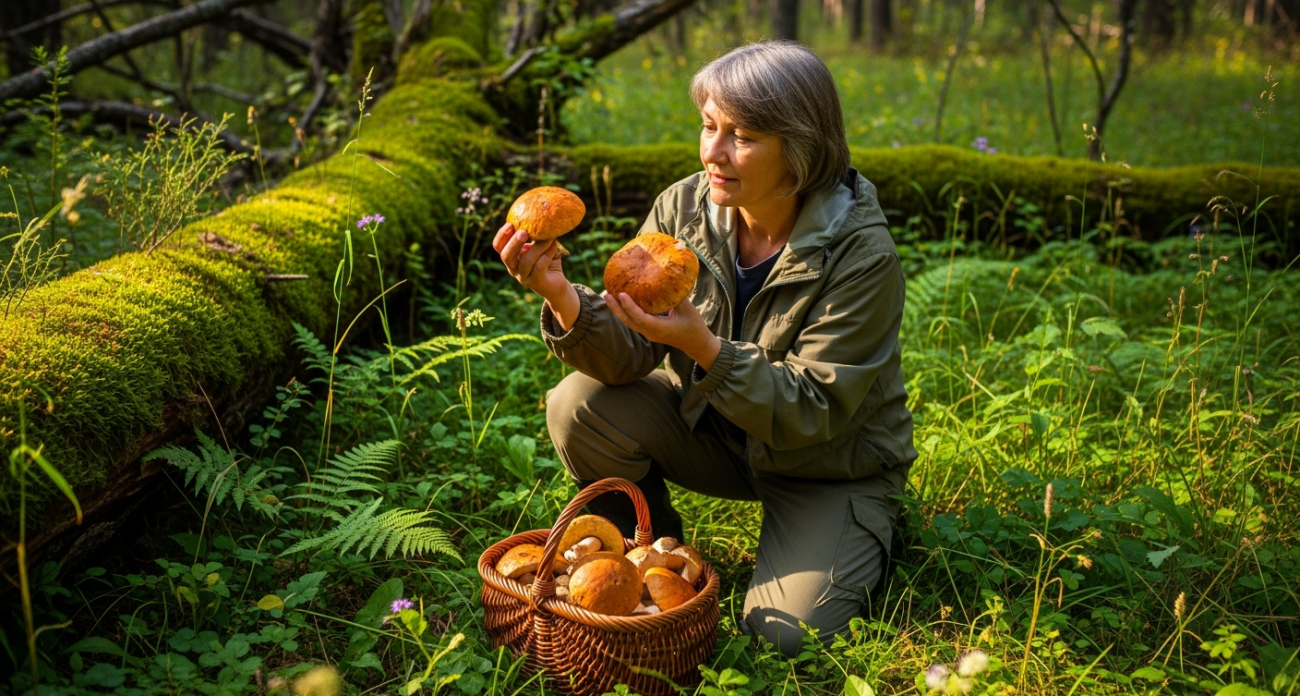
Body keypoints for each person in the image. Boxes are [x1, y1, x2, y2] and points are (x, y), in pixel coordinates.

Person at [492, 40, 916, 657]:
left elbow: (814, 409)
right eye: (708, 126)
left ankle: (867, 529)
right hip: (716, 431)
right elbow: (631, 351)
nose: (712, 153)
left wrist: (704, 347)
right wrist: (561, 295)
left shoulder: (860, 255)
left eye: (741, 137)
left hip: (827, 465)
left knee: (783, 636)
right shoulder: (685, 208)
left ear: (798, 149)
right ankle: (648, 552)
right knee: (577, 404)